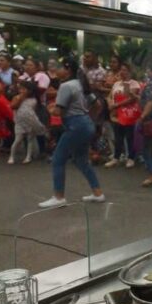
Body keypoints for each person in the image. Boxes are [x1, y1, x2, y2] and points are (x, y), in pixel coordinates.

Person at [38, 57, 105, 208]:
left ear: (67, 70)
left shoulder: (66, 86)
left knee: (58, 159)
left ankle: (59, 196)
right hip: (85, 123)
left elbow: (59, 111)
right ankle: (97, 192)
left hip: (74, 125)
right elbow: (98, 104)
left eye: (60, 67)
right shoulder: (81, 84)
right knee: (82, 160)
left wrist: (50, 109)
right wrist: (90, 118)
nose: (57, 70)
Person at [106, 64, 141, 169]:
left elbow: (131, 98)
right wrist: (110, 104)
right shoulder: (116, 83)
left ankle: (131, 158)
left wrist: (117, 105)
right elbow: (110, 96)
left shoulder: (134, 83)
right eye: (121, 69)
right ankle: (116, 157)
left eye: (125, 70)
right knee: (118, 136)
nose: (122, 72)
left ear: (130, 72)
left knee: (130, 136)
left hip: (128, 114)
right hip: (117, 113)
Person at [8, 79, 46, 164]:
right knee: (18, 139)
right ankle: (11, 156)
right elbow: (13, 106)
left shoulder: (34, 100)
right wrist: (20, 98)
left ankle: (28, 156)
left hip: (30, 120)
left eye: (24, 89)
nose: (21, 91)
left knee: (30, 139)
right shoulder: (17, 97)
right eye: (20, 89)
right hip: (20, 121)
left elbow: (34, 110)